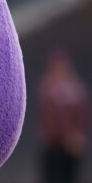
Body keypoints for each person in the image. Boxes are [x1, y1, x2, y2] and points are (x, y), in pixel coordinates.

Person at [39, 49, 89, 183]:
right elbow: (52, 118)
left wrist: (77, 136)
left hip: (71, 148)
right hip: (55, 146)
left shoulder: (75, 88)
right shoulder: (48, 87)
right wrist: (66, 136)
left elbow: (80, 116)